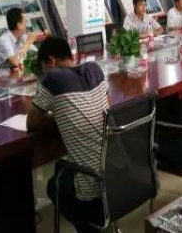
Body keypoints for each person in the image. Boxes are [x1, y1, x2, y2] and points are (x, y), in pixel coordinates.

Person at [27, 37, 109, 233]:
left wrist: (56, 114)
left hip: (92, 186)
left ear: (51, 61)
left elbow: (31, 123)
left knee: (53, 185)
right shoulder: (94, 70)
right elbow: (107, 109)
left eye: (44, 68)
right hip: (117, 174)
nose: (45, 72)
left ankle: (89, 228)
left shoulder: (52, 79)